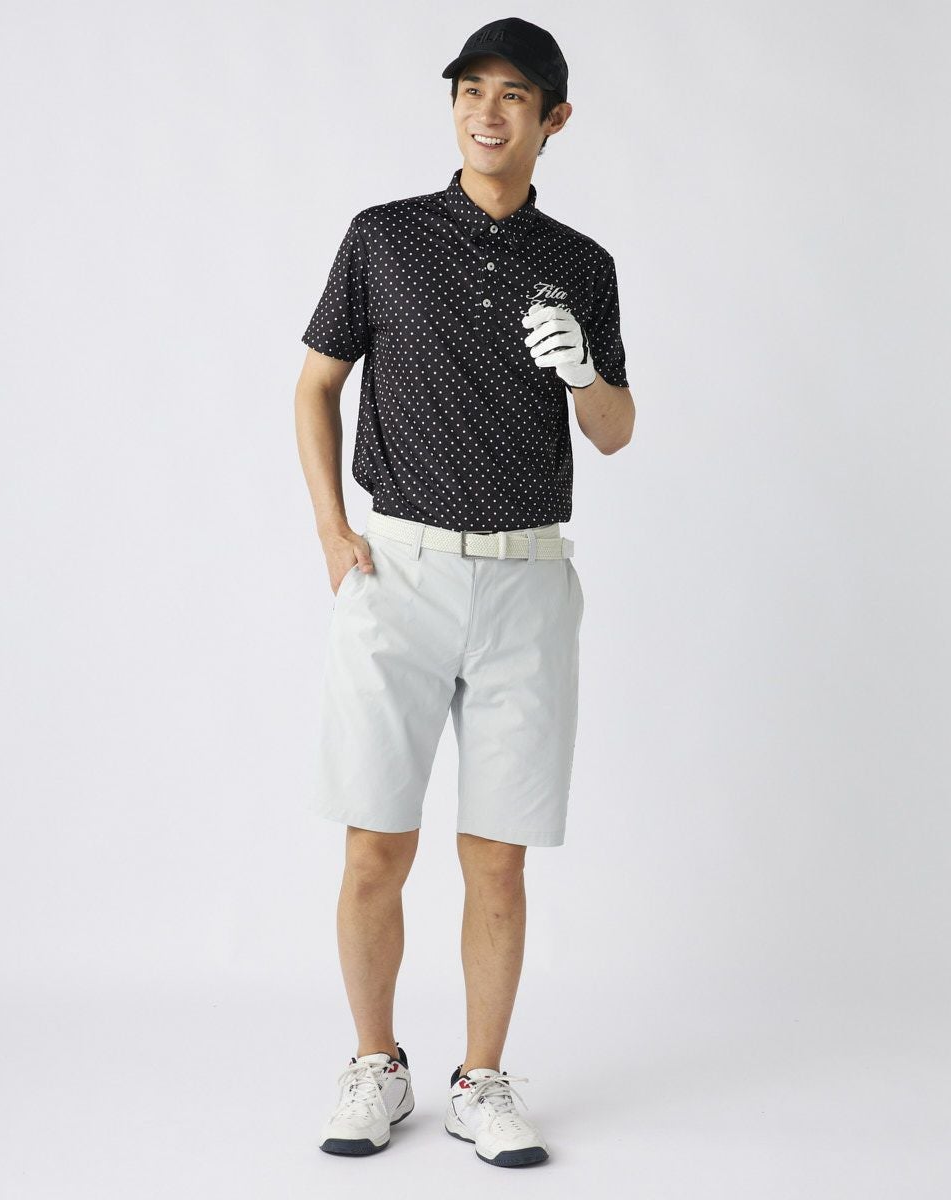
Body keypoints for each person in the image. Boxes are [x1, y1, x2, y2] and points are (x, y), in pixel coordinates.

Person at [294, 16, 635, 1168]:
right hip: (396, 575)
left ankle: (480, 1079)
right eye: (469, 90)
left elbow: (615, 430)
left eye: (513, 95)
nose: (487, 112)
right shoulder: (383, 237)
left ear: (553, 119)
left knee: (497, 860)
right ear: (453, 106)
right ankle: (375, 1064)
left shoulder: (581, 265)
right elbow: (315, 385)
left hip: (527, 583)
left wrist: (583, 372)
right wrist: (333, 531)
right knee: (373, 849)